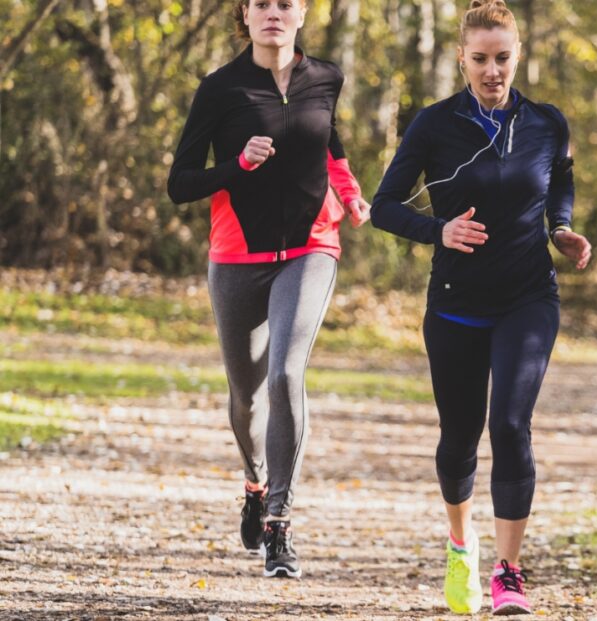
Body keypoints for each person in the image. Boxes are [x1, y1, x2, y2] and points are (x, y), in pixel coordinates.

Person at [371, 0, 592, 614]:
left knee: (512, 425)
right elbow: (384, 205)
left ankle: (509, 573)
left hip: (528, 297)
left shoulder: (547, 121)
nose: (492, 71)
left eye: (502, 58)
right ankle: (460, 546)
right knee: (459, 436)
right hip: (456, 302)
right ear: (461, 59)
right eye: (480, 60)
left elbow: (561, 179)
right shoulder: (433, 125)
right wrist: (437, 231)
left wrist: (562, 227)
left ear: (518, 55)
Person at [167, 0, 370, 579]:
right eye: (262, 4)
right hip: (236, 257)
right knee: (247, 396)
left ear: (302, 13)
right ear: (246, 16)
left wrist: (351, 194)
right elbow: (180, 183)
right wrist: (237, 164)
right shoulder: (220, 88)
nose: (274, 13)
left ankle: (280, 521)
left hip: (311, 247)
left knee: (286, 373)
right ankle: (255, 481)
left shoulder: (326, 77)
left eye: (286, 4)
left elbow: (330, 145)